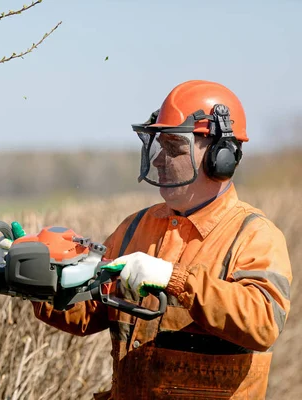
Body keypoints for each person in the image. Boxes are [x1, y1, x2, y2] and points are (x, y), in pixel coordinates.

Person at [28, 80, 293, 399]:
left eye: (173, 148)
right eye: (158, 146)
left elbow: (263, 323)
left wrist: (176, 280)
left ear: (220, 157)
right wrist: (40, 282)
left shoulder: (254, 235)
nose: (158, 160)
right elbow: (89, 312)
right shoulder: (135, 227)